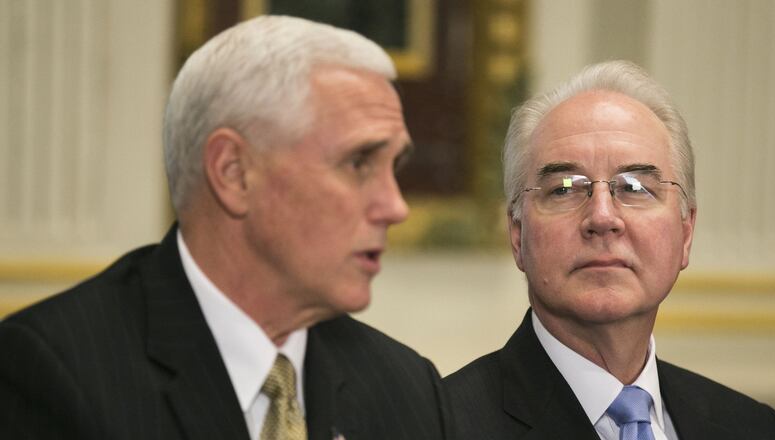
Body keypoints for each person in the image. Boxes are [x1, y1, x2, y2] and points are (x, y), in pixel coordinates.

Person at [0, 16, 452, 440]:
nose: (396, 207)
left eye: (394, 167)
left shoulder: (407, 389)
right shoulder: (54, 373)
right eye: (358, 163)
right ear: (233, 172)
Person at [444, 60, 775, 439]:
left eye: (635, 188)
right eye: (564, 189)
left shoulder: (756, 429)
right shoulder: (440, 427)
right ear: (517, 233)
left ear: (686, 232)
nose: (602, 217)